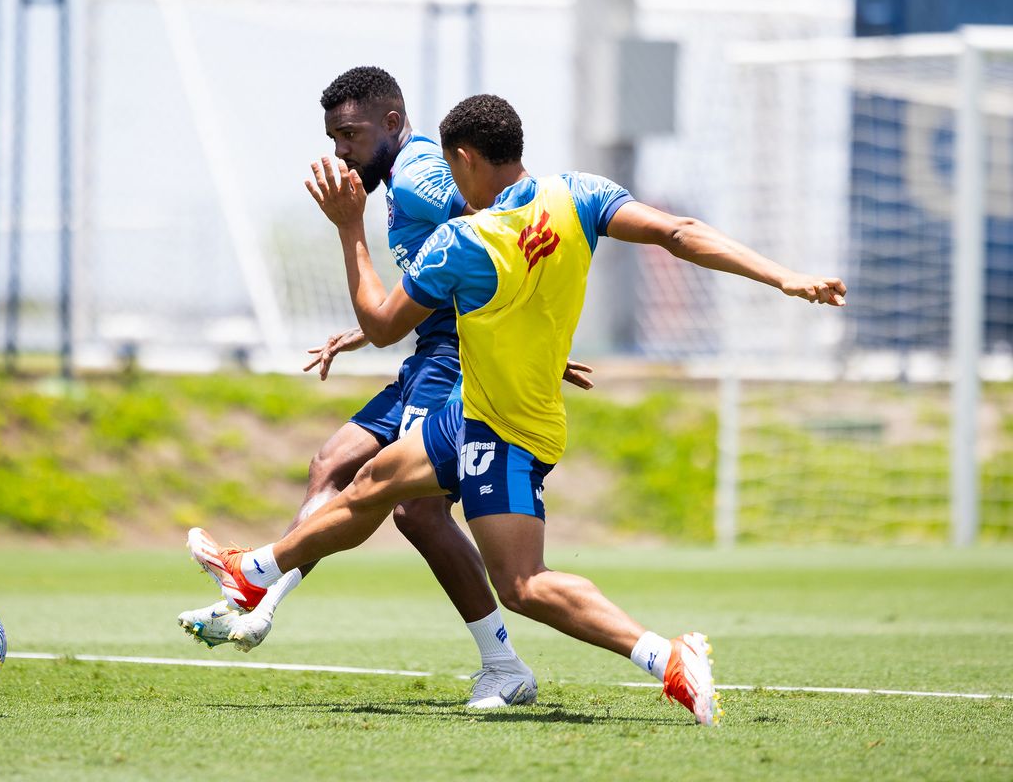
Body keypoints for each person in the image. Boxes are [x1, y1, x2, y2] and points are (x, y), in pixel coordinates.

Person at [188, 94, 846, 724]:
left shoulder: (465, 242)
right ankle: (254, 575)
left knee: (524, 585)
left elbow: (385, 325)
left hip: (506, 431)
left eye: (450, 167)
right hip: (474, 410)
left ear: (467, 158)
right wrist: (783, 276)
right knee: (372, 482)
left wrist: (351, 228)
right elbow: (680, 231)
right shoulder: (580, 194)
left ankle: (668, 658)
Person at [178, 68, 588, 709]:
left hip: (457, 359)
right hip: (429, 353)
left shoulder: (423, 173)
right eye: (333, 136)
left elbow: (501, 228)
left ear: (392, 124)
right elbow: (438, 278)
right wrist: (363, 332)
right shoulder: (403, 178)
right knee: (332, 461)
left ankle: (501, 664)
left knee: (416, 509)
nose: (341, 150)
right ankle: (258, 594)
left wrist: (531, 332)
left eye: (351, 134)